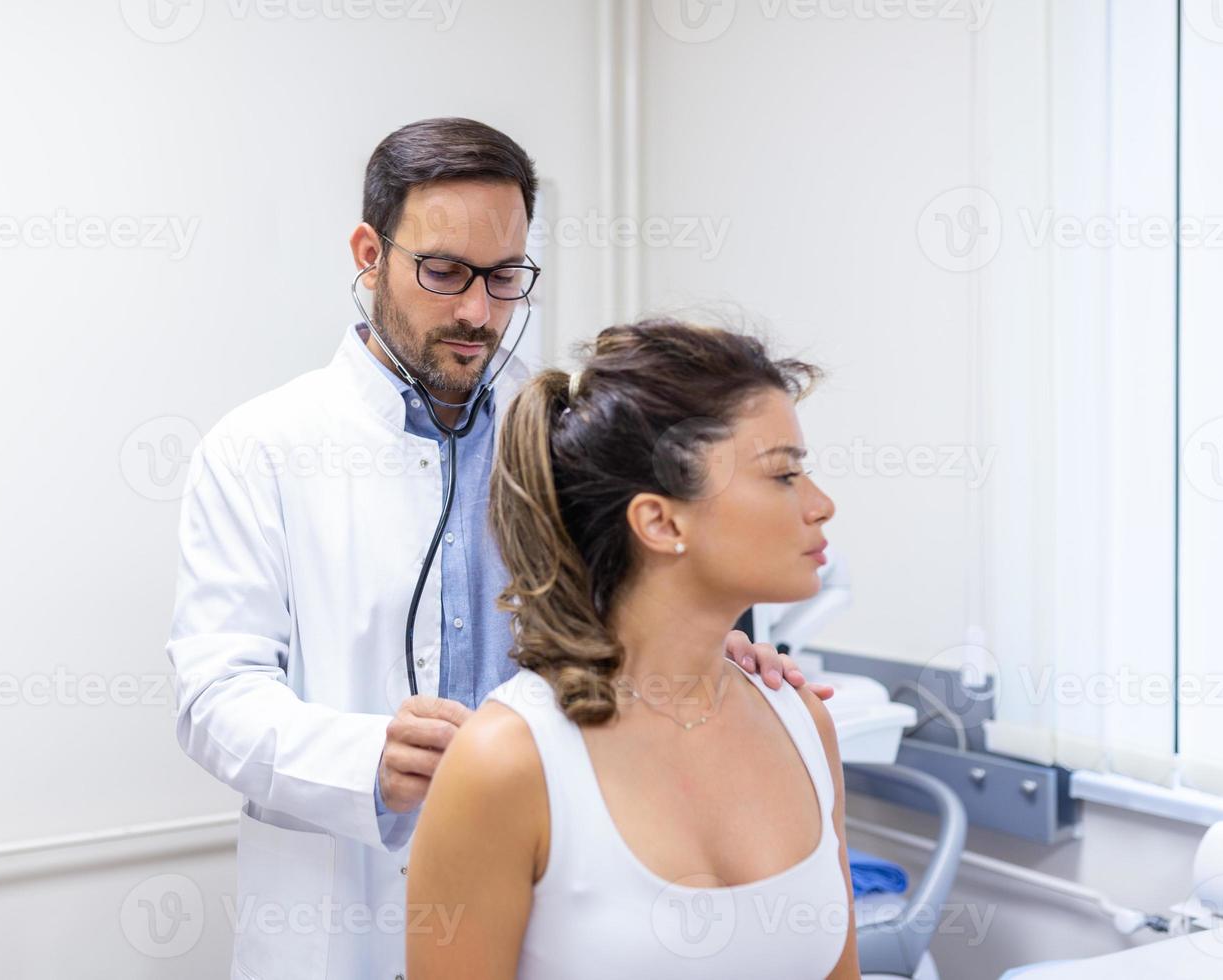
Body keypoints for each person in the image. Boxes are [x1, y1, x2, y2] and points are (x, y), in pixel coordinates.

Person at [166, 118, 831, 980]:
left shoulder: (556, 432)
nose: (478, 311)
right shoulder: (260, 447)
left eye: (506, 276)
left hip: (559, 887)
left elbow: (626, 606)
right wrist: (366, 758)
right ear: (370, 253)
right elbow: (212, 695)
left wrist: (706, 644)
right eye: (443, 273)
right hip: (346, 913)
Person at [406, 319, 862, 979]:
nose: (821, 506)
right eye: (784, 475)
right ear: (660, 521)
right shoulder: (507, 764)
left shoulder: (802, 724)